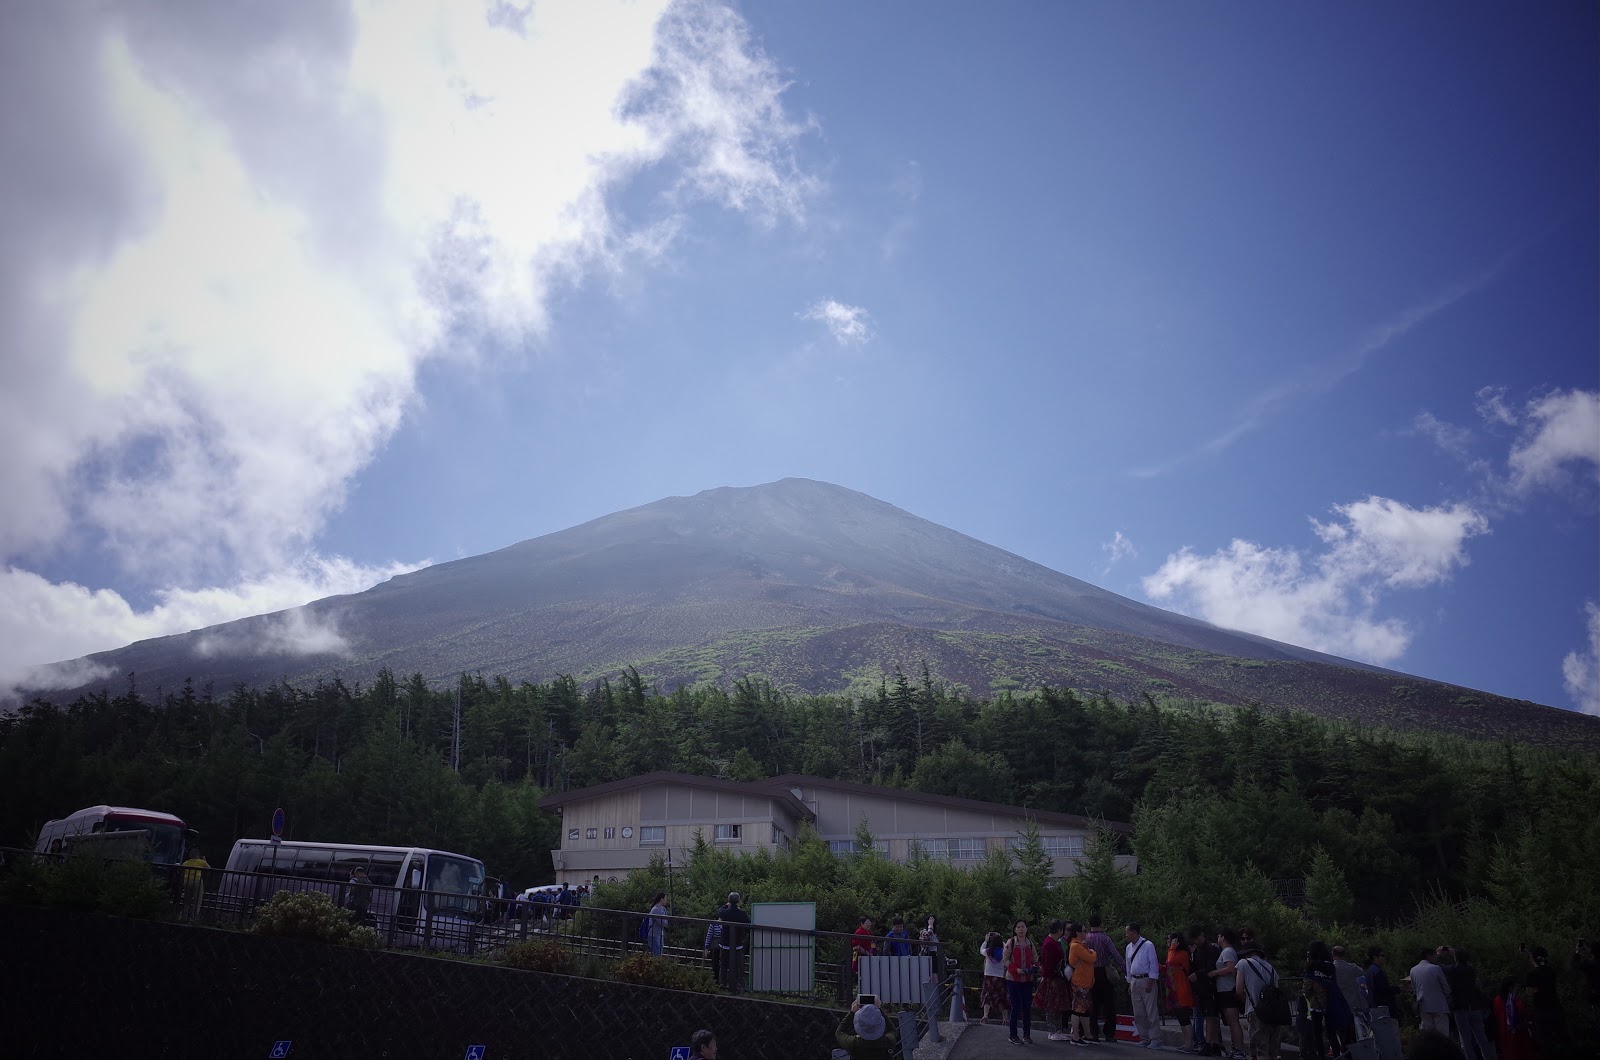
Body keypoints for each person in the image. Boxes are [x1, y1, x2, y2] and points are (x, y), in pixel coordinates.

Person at [1440, 947, 1492, 1060]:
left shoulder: (1453, 970)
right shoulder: (1471, 969)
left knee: (1465, 1040)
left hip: (1460, 1007)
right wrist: (1456, 954)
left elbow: (1440, 967)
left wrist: (1439, 953)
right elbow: (1463, 964)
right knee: (1482, 1038)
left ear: (1456, 958)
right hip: (1474, 1006)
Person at [1304, 940, 1353, 1059]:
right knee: (1332, 1033)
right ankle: (1338, 1055)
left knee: (1318, 1034)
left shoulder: (1311, 966)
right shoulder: (1330, 966)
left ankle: (1322, 1056)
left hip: (1316, 1004)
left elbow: (1307, 987)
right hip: (1331, 1002)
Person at [1236, 943, 1284, 1060]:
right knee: (1272, 1051)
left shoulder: (1243, 963)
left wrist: (1244, 1001)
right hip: (1274, 1013)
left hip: (1256, 1011)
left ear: (1246, 953)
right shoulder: (1270, 967)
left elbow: (1239, 989)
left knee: (1260, 1050)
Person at [1086, 914, 1127, 1044]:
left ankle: (1094, 1033)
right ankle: (1109, 1034)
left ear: (1089, 924)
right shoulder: (1105, 938)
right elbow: (1115, 955)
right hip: (1105, 972)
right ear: (1100, 924)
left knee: (1093, 1005)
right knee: (1109, 1005)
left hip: (1090, 973)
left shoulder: (1085, 939)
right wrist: (1125, 969)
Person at [1208, 929, 1247, 1060]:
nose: (1217, 938)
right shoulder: (1225, 951)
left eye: (1219, 936)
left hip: (1228, 990)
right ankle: (1235, 1048)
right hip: (1223, 990)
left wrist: (1215, 973)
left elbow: (1230, 968)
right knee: (1230, 1022)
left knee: (1233, 1022)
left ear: (1223, 937)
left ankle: (1240, 1049)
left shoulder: (1228, 951)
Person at [1126, 922, 1164, 1049]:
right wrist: (1129, 981)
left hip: (1146, 978)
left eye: (1128, 931)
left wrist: (1151, 980)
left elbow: (1153, 963)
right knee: (1138, 1012)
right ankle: (1144, 1037)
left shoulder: (1148, 945)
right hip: (1134, 980)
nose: (1126, 934)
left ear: (1135, 932)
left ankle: (1155, 1038)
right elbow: (1128, 965)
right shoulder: (1128, 947)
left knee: (1151, 1010)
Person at [1522, 945, 1565, 1052]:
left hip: (1542, 1011)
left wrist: (1537, 988)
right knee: (1561, 1039)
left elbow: (1529, 992)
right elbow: (1540, 969)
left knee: (1546, 1042)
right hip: (1556, 1008)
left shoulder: (1532, 974)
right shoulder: (1550, 971)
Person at [1004, 919, 1040, 1046]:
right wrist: (1016, 970)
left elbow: (1035, 959)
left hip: (1027, 979)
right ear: (1015, 929)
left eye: (1023, 927)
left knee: (1026, 1008)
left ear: (1026, 929)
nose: (1021, 929)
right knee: (1015, 1007)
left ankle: (1026, 1034)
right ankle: (1013, 1035)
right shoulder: (1011, 942)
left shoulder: (1030, 944)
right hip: (1013, 979)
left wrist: (1036, 967)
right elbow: (1006, 960)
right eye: (1018, 927)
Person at [1191, 926, 1223, 1057]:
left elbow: (1210, 967)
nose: (1196, 942)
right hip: (1202, 987)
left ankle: (1210, 1043)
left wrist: (1197, 974)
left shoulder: (1211, 949)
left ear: (1202, 936)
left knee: (1210, 1017)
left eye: (1197, 939)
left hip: (1209, 986)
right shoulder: (1198, 950)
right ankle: (1214, 1043)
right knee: (1209, 1016)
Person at [1039, 919, 1072, 1041]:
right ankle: (1053, 1031)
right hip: (1053, 978)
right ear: (1060, 930)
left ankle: (1058, 1030)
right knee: (1052, 1006)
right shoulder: (1050, 943)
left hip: (1055, 976)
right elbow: (1048, 964)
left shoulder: (1052, 942)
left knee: (1057, 1006)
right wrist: (1055, 974)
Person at [1067, 922, 1099, 1045]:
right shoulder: (1076, 946)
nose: (1086, 933)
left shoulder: (1080, 945)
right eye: (1084, 931)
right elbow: (1091, 958)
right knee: (1077, 1009)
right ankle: (1075, 1036)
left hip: (1085, 982)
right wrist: (1093, 952)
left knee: (1084, 1010)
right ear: (1078, 933)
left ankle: (1087, 1034)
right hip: (1079, 981)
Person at [1165, 931, 1196, 1052]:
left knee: (1184, 1016)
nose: (1168, 941)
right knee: (1180, 1017)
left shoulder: (1182, 953)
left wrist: (1172, 947)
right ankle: (1186, 1043)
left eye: (1170, 939)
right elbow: (1168, 966)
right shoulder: (1173, 952)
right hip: (1174, 989)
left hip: (1181, 988)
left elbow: (1171, 961)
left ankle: (1190, 1044)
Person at [1410, 949, 1453, 1036]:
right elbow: (1446, 988)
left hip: (1423, 1005)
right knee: (1443, 1034)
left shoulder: (1413, 970)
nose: (1435, 958)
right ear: (1429, 956)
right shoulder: (1436, 968)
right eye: (1434, 955)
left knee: (1428, 1035)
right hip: (1439, 1005)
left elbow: (1414, 989)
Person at [715, 892, 750, 992]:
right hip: (737, 944)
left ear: (729, 901)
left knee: (723, 965)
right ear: (738, 901)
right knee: (738, 966)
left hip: (725, 943)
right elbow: (748, 923)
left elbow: (719, 911)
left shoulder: (725, 912)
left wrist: (725, 905)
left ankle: (722, 984)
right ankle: (737, 985)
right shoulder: (742, 914)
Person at [1332, 945, 1368, 1041]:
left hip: (1338, 1004)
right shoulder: (1351, 967)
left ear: (1333, 954)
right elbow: (1363, 973)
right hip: (1353, 1003)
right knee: (1357, 1030)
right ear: (1344, 954)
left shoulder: (1331, 969)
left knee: (1343, 1032)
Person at [1493, 979, 1531, 1060]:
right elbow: (1522, 1009)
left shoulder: (1497, 999)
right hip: (1516, 1030)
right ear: (1510, 987)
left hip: (1503, 1030)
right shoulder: (1513, 998)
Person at [980, 931, 1009, 1025]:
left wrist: (986, 940)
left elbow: (981, 949)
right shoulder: (1004, 953)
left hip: (988, 976)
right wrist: (1002, 940)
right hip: (1000, 977)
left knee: (987, 995)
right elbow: (1007, 948)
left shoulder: (988, 952)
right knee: (1001, 997)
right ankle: (1005, 1018)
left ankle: (985, 1015)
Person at [1576, 938, 1600, 1039]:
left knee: (1597, 1021)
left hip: (1595, 997)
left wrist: (1577, 952)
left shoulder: (1590, 964)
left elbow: (1576, 965)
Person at [1368, 947, 1398, 1019]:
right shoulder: (1378, 972)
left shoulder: (1370, 970)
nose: (1385, 958)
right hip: (1383, 1008)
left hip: (1374, 1007)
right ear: (1375, 957)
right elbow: (1385, 990)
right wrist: (1398, 989)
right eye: (1382, 955)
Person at [181, 848, 209, 919]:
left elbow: (181, 869)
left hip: (187, 881)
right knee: (197, 901)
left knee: (187, 901)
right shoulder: (201, 862)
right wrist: (204, 860)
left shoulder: (186, 863)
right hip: (197, 881)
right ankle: (193, 917)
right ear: (198, 855)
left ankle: (184, 917)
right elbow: (209, 868)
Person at [852, 916, 877, 981]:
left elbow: (872, 943)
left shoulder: (869, 932)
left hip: (869, 957)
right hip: (861, 957)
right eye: (867, 923)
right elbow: (856, 946)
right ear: (862, 924)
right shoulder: (859, 932)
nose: (869, 924)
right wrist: (867, 953)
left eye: (870, 923)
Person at [647, 892, 669, 957]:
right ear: (661, 899)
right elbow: (663, 923)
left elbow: (666, 922)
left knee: (659, 954)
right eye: (665, 899)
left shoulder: (663, 909)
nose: (666, 900)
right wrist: (665, 920)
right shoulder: (655, 909)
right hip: (654, 935)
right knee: (657, 955)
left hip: (660, 934)